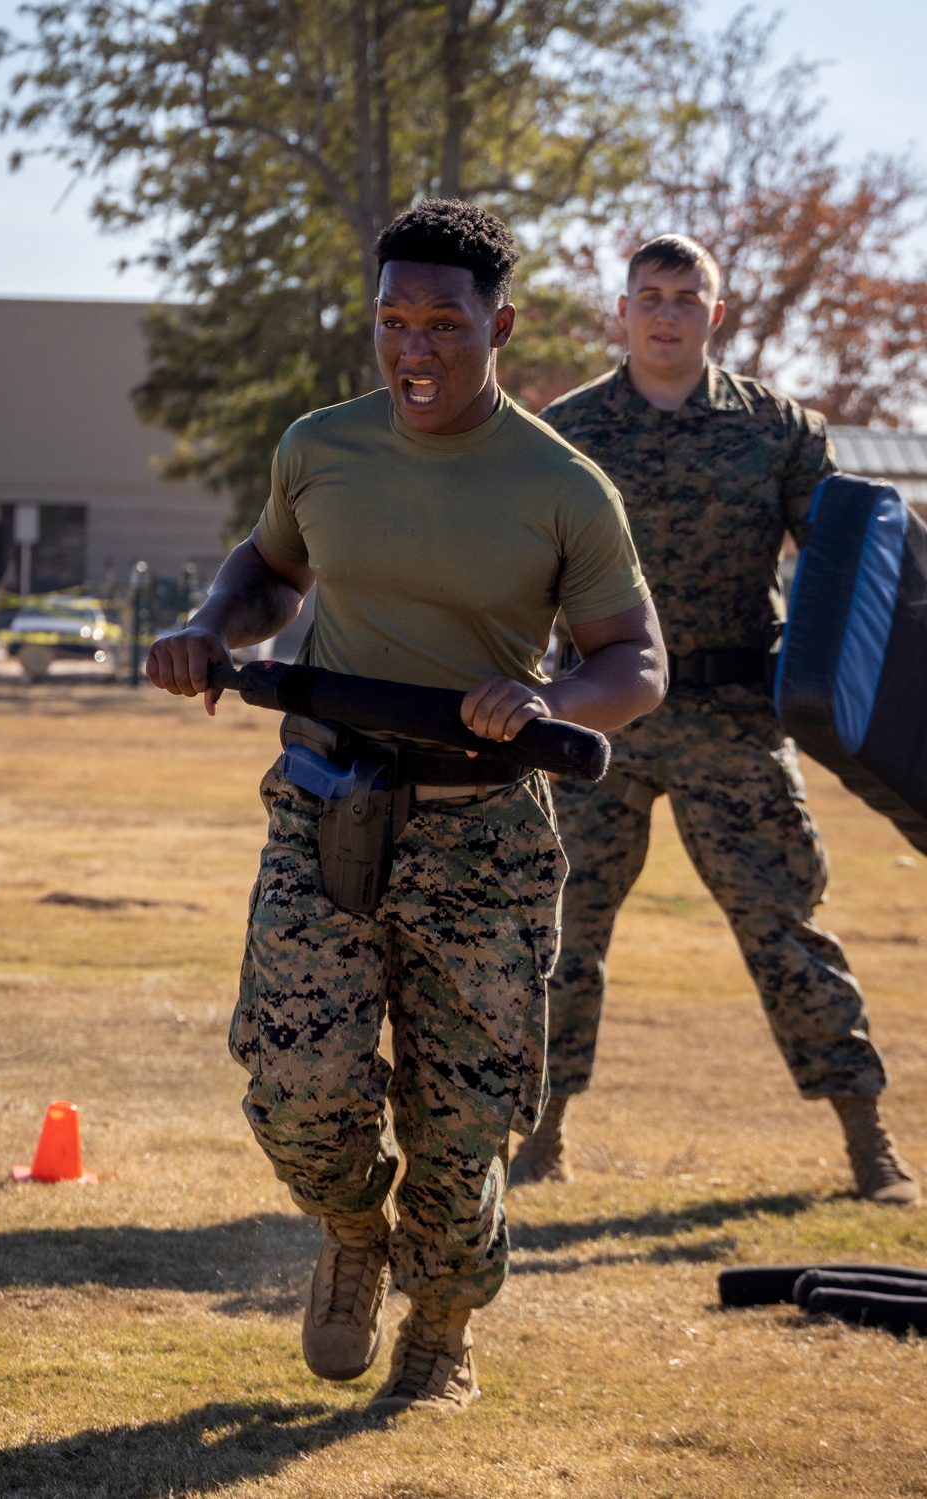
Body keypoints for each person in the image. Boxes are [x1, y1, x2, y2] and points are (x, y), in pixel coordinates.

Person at [147, 200, 667, 1414]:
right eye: (394, 322)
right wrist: (207, 630)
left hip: (481, 829)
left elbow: (634, 660)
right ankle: (349, 1229)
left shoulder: (563, 485)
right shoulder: (321, 446)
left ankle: (442, 1327)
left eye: (444, 322)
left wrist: (543, 694)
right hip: (326, 802)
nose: (415, 350)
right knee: (296, 1090)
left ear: (502, 324)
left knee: (463, 1120)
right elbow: (270, 569)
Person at [513, 233, 921, 1207]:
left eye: (685, 296)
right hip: (599, 721)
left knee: (784, 922)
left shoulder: (777, 430)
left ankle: (868, 1142)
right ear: (621, 309)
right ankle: (542, 1136)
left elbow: (842, 566)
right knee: (559, 931)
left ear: (715, 313)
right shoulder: (565, 432)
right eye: (648, 295)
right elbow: (526, 575)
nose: (665, 313)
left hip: (733, 719)